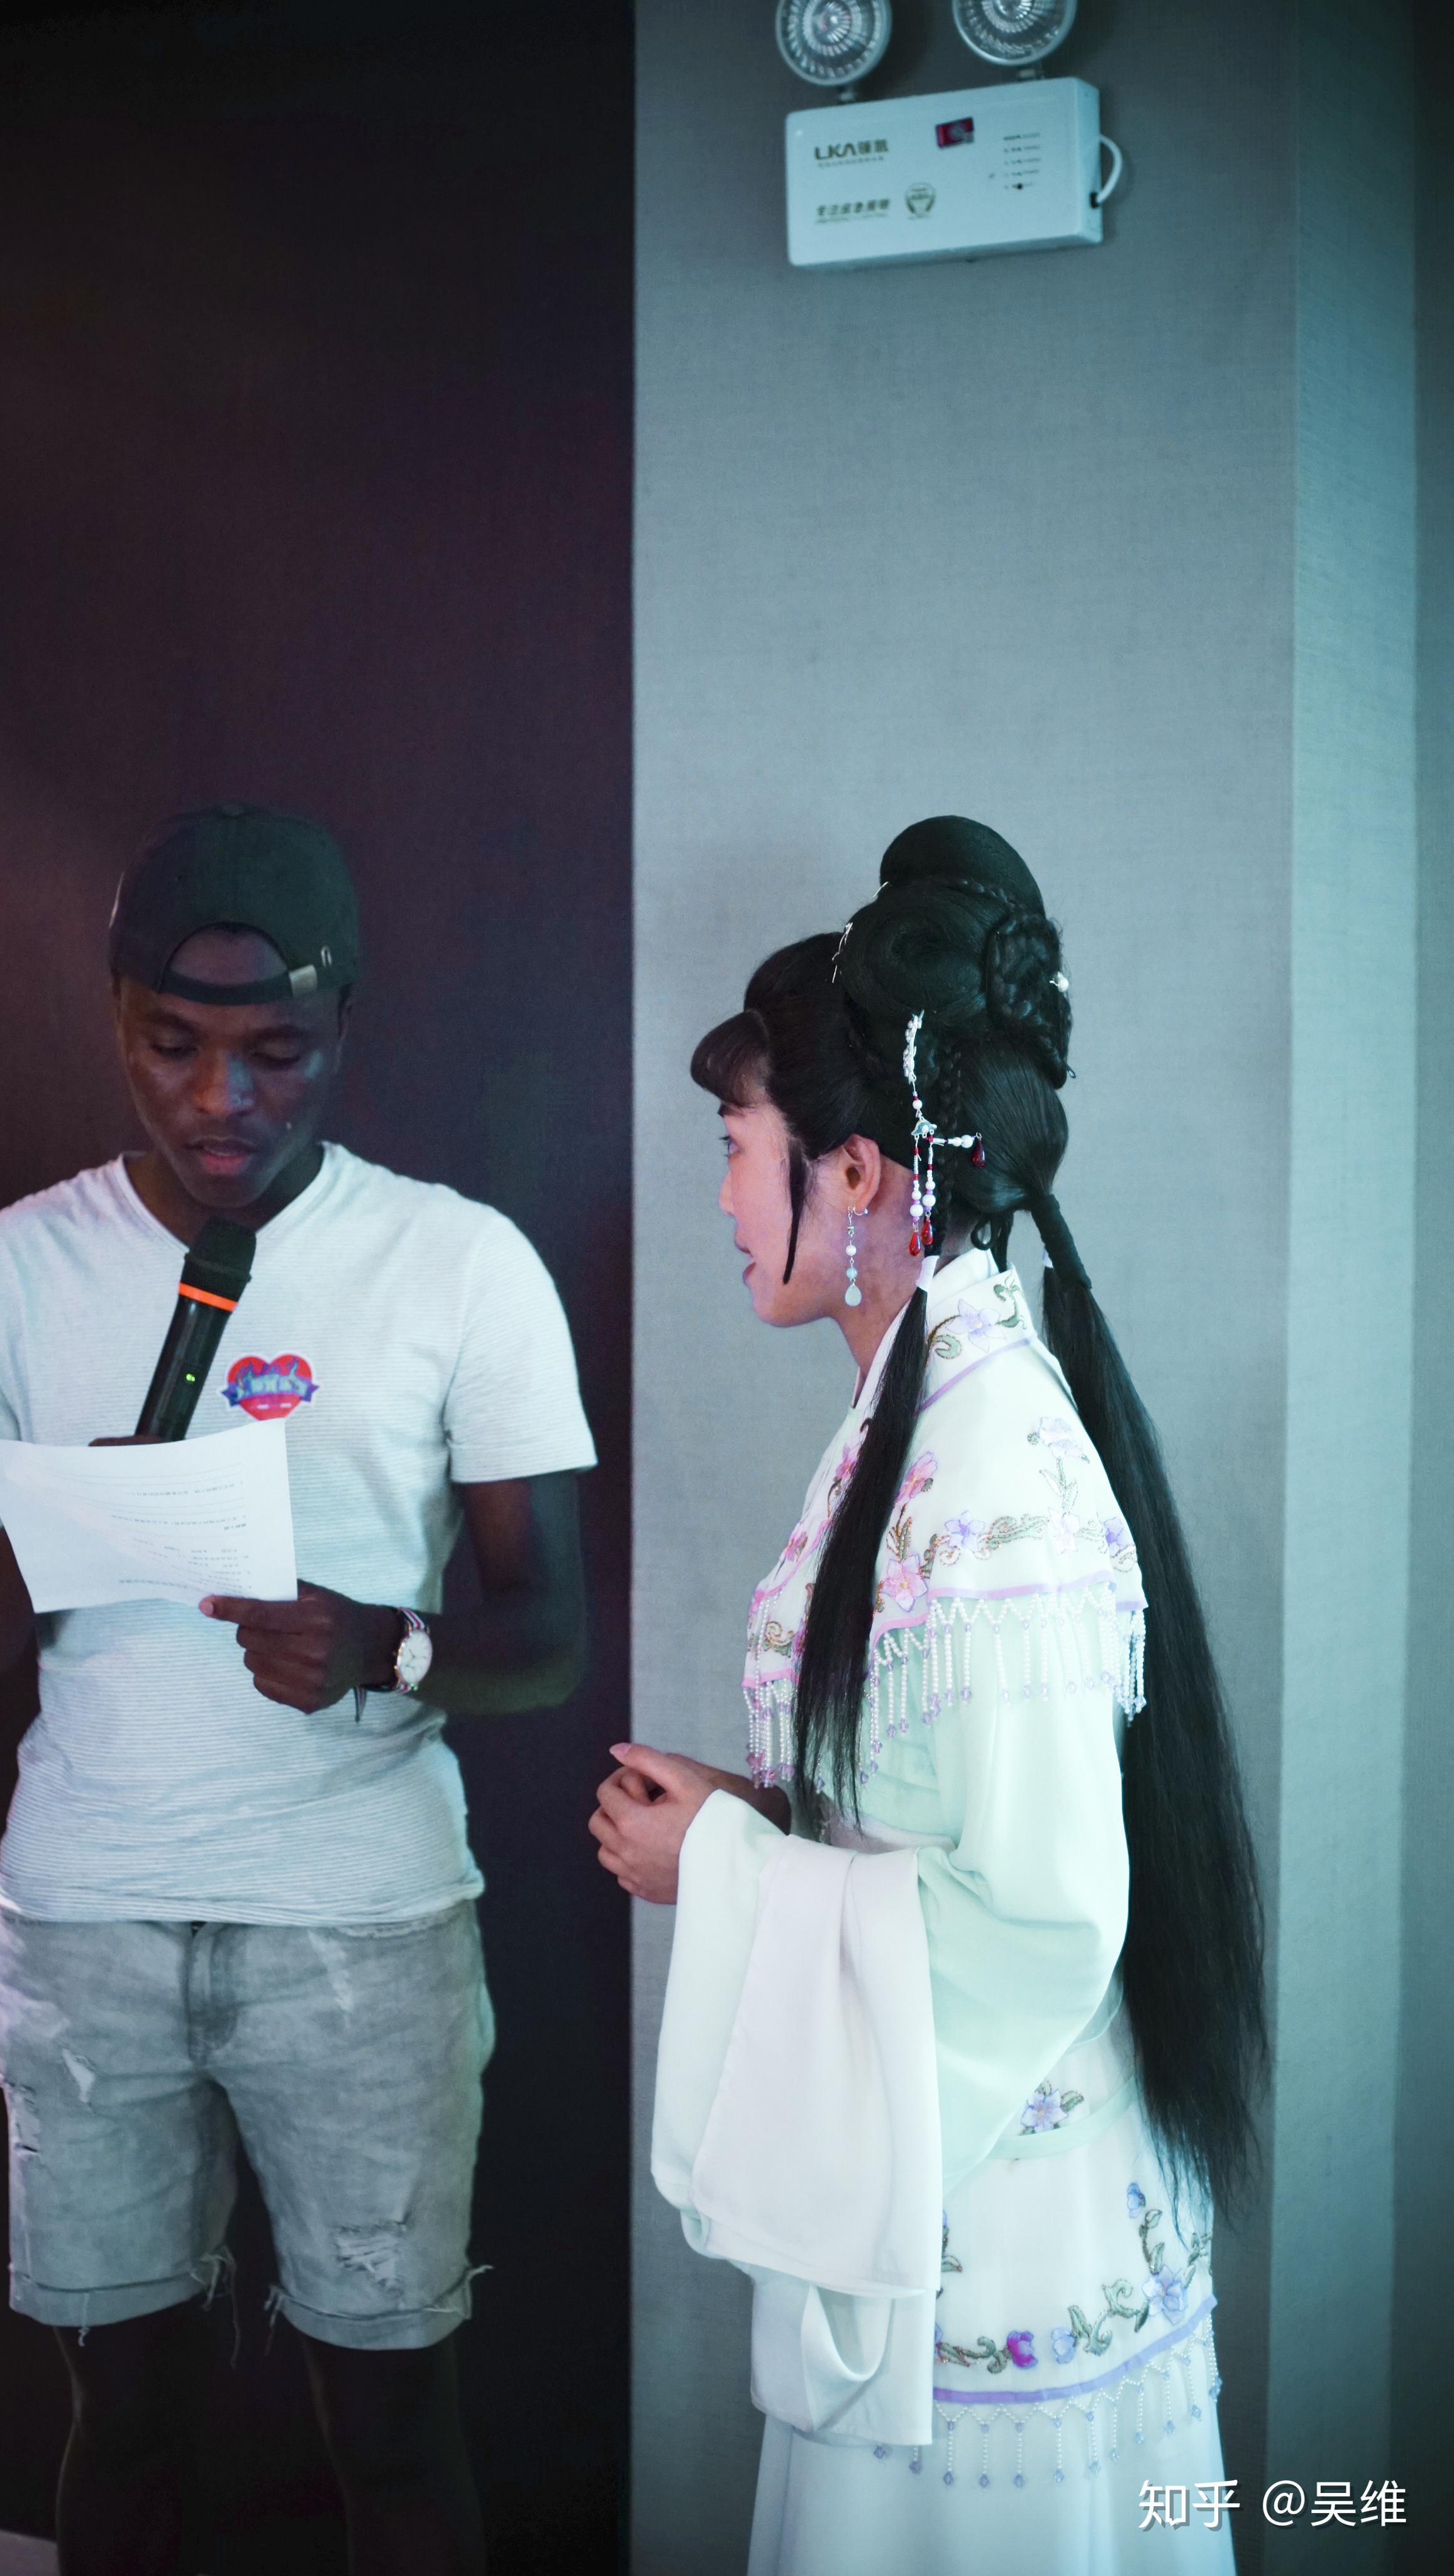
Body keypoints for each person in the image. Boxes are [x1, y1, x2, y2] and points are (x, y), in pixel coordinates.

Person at [0, 802, 594, 2576]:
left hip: (359, 1933)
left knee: (396, 2426)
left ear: (345, 1025)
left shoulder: (460, 1264)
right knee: (120, 2418)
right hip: (88, 1926)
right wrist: (78, 1519)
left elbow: (549, 1635)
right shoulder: (4, 1275)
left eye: (276, 1052)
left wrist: (386, 1648)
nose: (224, 1100)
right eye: (173, 1047)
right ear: (116, 1022)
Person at [591, 817, 1265, 2572]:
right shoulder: (928, 1414)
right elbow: (933, 1808)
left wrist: (724, 1872)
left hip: (996, 2239)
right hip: (958, 2195)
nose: (722, 1198)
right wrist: (758, 1817)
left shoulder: (983, 1469)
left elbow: (1041, 1914)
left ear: (859, 1173)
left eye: (736, 1150)